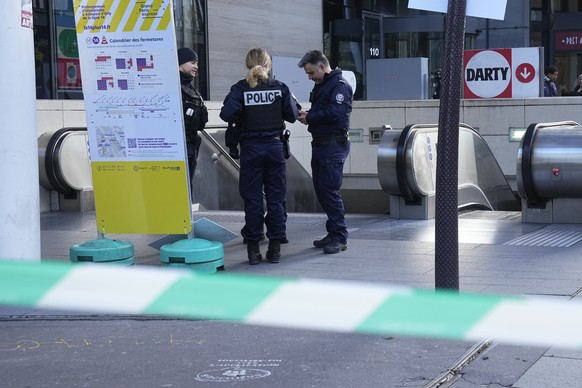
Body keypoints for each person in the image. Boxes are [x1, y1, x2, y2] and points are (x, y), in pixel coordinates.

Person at [220, 47, 299, 265]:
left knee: (253, 199)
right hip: (274, 149)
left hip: (251, 150)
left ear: (247, 64)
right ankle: (275, 248)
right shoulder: (279, 87)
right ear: (269, 64)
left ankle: (253, 250)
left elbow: (226, 113)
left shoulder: (240, 89)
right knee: (275, 199)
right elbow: (292, 115)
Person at [297, 50, 352, 254]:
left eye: (311, 72)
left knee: (329, 190)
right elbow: (325, 111)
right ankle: (333, 231)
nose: (309, 77)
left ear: (322, 66)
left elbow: (336, 113)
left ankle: (340, 236)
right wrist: (310, 115)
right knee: (322, 190)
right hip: (321, 144)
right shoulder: (323, 85)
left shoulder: (339, 86)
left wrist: (311, 117)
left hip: (333, 145)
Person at [178, 47, 208, 187]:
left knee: (187, 188)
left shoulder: (192, 90)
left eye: (197, 63)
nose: (196, 66)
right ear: (180, 64)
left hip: (191, 147)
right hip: (177, 148)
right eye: (192, 62)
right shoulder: (174, 88)